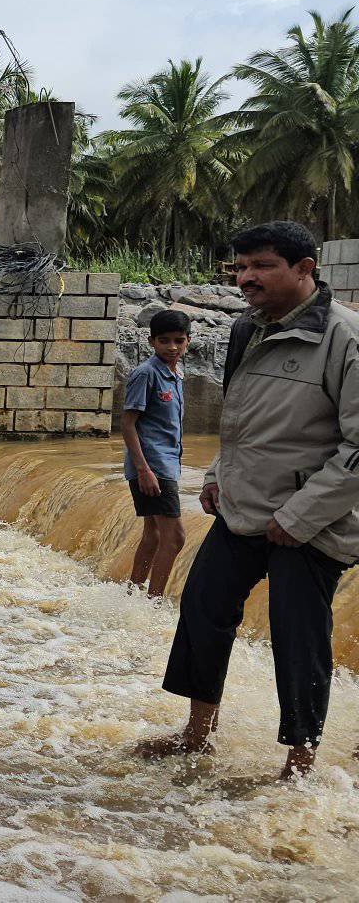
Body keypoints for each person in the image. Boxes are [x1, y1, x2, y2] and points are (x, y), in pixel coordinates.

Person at [139, 221, 359, 780]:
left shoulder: (345, 338)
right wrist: (216, 472)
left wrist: (300, 515)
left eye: (260, 266)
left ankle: (299, 762)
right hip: (242, 505)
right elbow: (240, 421)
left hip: (310, 522)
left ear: (305, 269)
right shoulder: (245, 330)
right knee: (203, 609)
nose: (245, 278)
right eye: (240, 267)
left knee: (298, 638)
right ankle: (197, 733)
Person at [121, 309, 189, 600]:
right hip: (153, 467)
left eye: (178, 340)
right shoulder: (146, 373)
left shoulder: (176, 374)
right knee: (175, 538)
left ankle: (132, 596)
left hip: (166, 464)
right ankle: (154, 602)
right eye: (164, 341)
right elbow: (127, 423)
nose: (172, 347)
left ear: (188, 341)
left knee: (155, 535)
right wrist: (143, 470)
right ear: (151, 341)